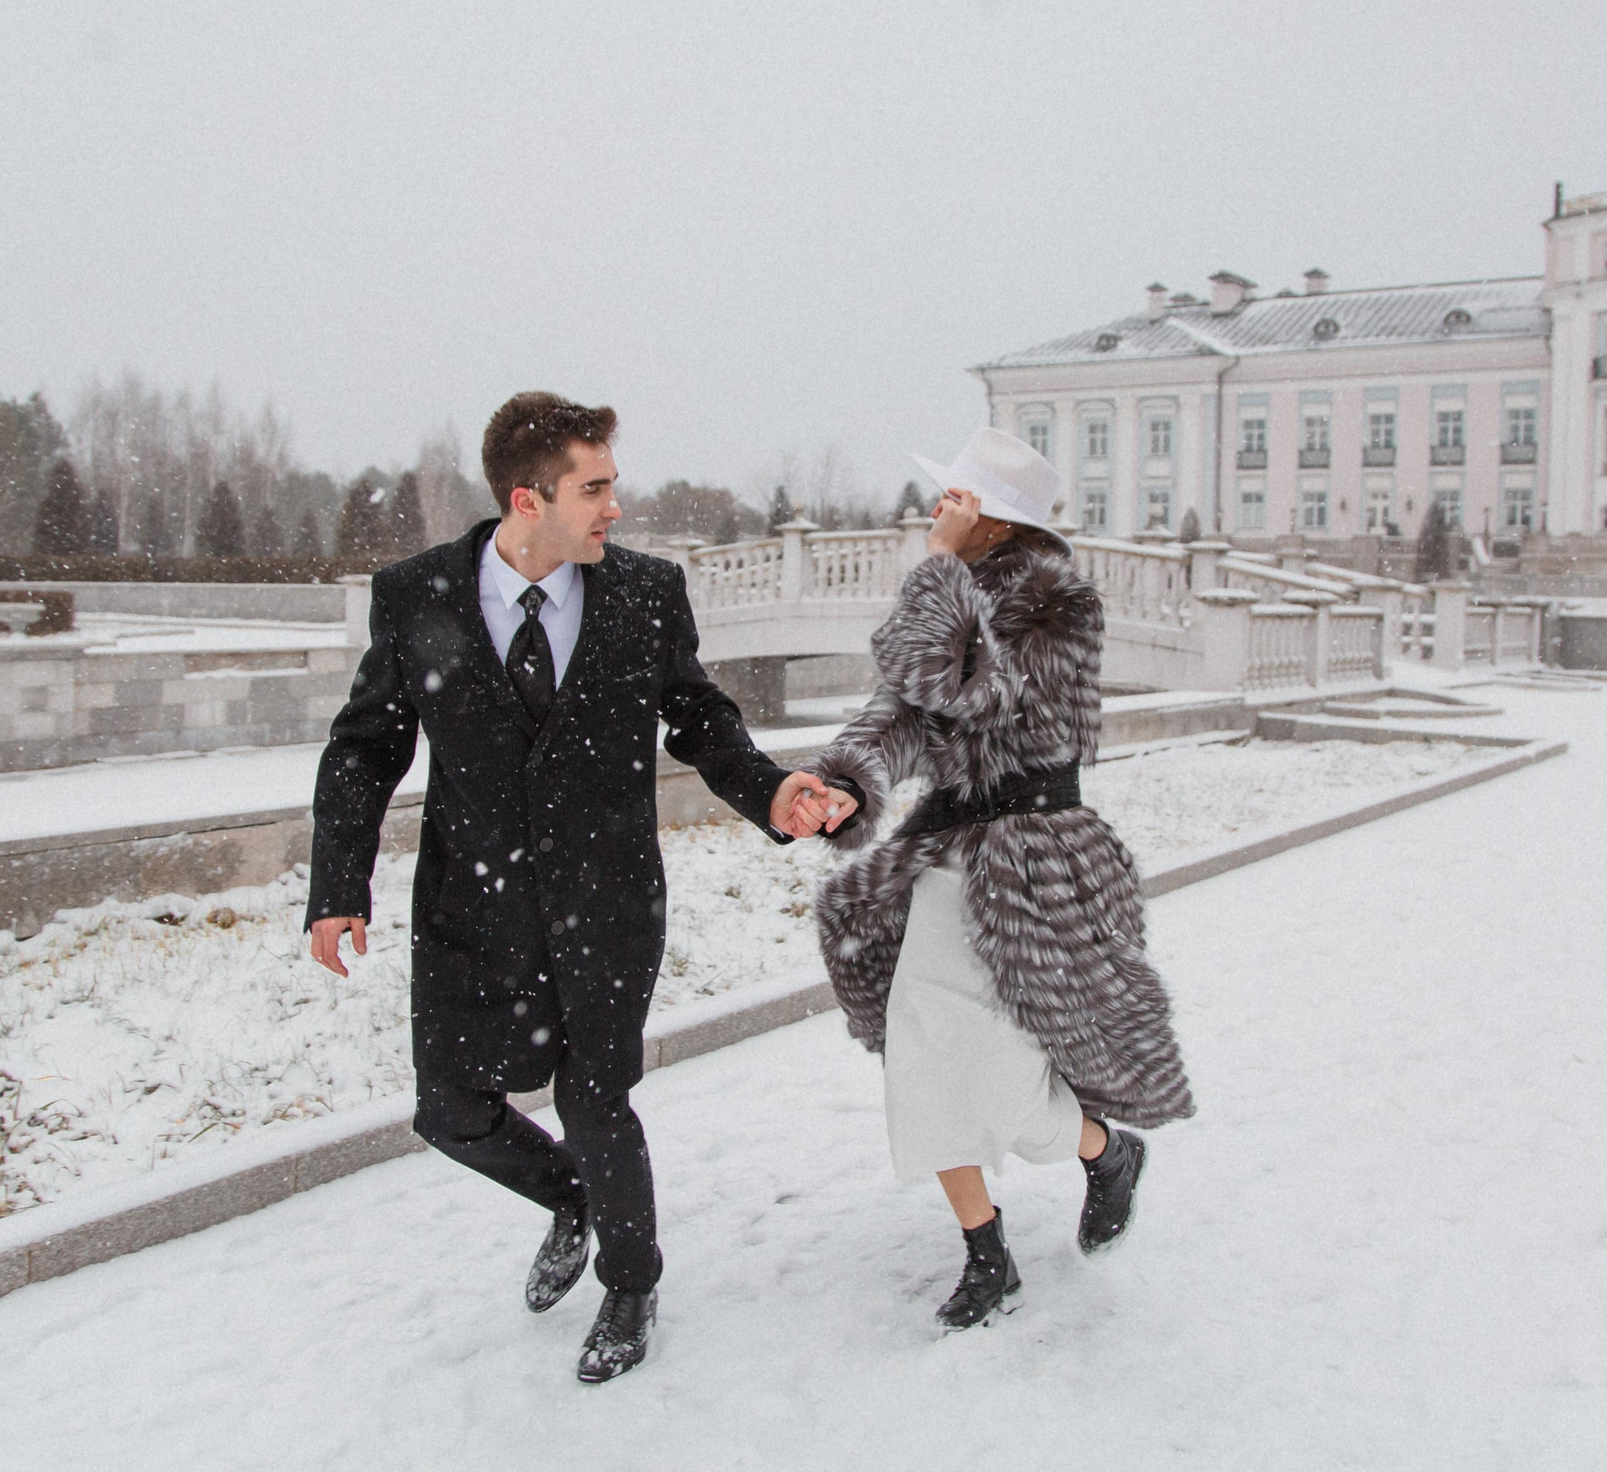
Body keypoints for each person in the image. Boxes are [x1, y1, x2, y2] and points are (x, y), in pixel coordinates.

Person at [305, 392, 846, 1384]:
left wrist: (770, 791)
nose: (615, 508)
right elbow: (365, 747)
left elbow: (699, 717)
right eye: (594, 488)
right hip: (471, 906)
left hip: (607, 899)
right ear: (529, 498)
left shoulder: (644, 594)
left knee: (596, 1100)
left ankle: (631, 1282)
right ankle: (572, 1198)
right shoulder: (417, 596)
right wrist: (339, 882)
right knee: (450, 1110)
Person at [808, 425, 1194, 1331]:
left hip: (1033, 862)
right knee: (924, 1061)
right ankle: (988, 1252)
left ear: (994, 519)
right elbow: (902, 709)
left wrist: (938, 568)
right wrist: (847, 781)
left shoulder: (1058, 605)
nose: (938, 507)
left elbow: (969, 689)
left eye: (956, 498)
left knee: (1012, 1084)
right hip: (946, 856)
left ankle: (1104, 1151)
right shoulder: (954, 593)